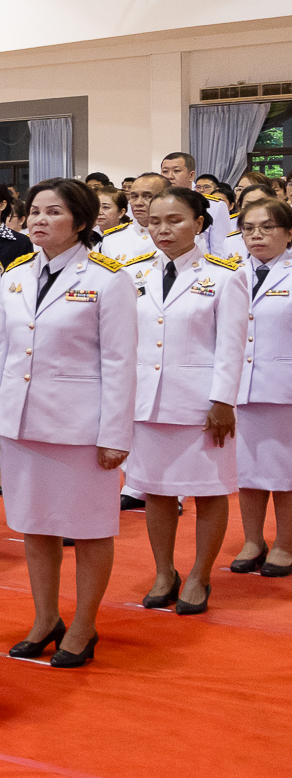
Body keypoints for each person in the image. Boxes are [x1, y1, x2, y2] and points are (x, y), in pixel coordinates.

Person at [0, 180, 135, 667]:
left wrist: (115, 434)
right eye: (34, 212)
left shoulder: (109, 278)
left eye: (53, 212)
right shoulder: (15, 274)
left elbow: (120, 363)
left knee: (90, 529)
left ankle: (84, 624)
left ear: (81, 221)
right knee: (36, 525)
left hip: (80, 429)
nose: (39, 220)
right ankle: (46, 617)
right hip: (22, 423)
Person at [130, 187, 247, 613]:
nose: (162, 229)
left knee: (209, 491)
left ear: (198, 224)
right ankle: (165, 571)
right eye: (155, 221)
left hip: (201, 405)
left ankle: (199, 574)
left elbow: (232, 346)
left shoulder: (225, 275)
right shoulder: (132, 273)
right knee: (156, 491)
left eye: (174, 220)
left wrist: (223, 401)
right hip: (146, 402)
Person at [233, 198, 292, 577]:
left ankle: (285, 543)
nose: (257, 235)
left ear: (288, 233)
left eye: (267, 227)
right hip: (239, 389)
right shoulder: (230, 273)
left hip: (284, 390)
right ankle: (253, 540)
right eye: (249, 228)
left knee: (285, 473)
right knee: (247, 472)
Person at [162, 152, 234, 258]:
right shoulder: (156, 205)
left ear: (191, 175)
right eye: (165, 171)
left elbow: (220, 251)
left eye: (176, 171)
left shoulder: (214, 206)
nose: (169, 176)